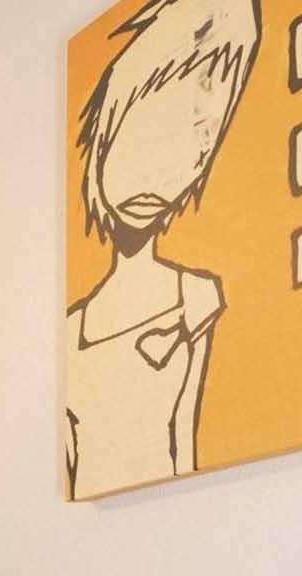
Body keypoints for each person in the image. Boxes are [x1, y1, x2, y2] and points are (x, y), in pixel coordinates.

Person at [64, 0, 261, 499]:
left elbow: (183, 449)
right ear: (105, 133)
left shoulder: (195, 298)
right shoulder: (71, 332)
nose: (163, 175)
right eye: (148, 132)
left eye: (196, 144)